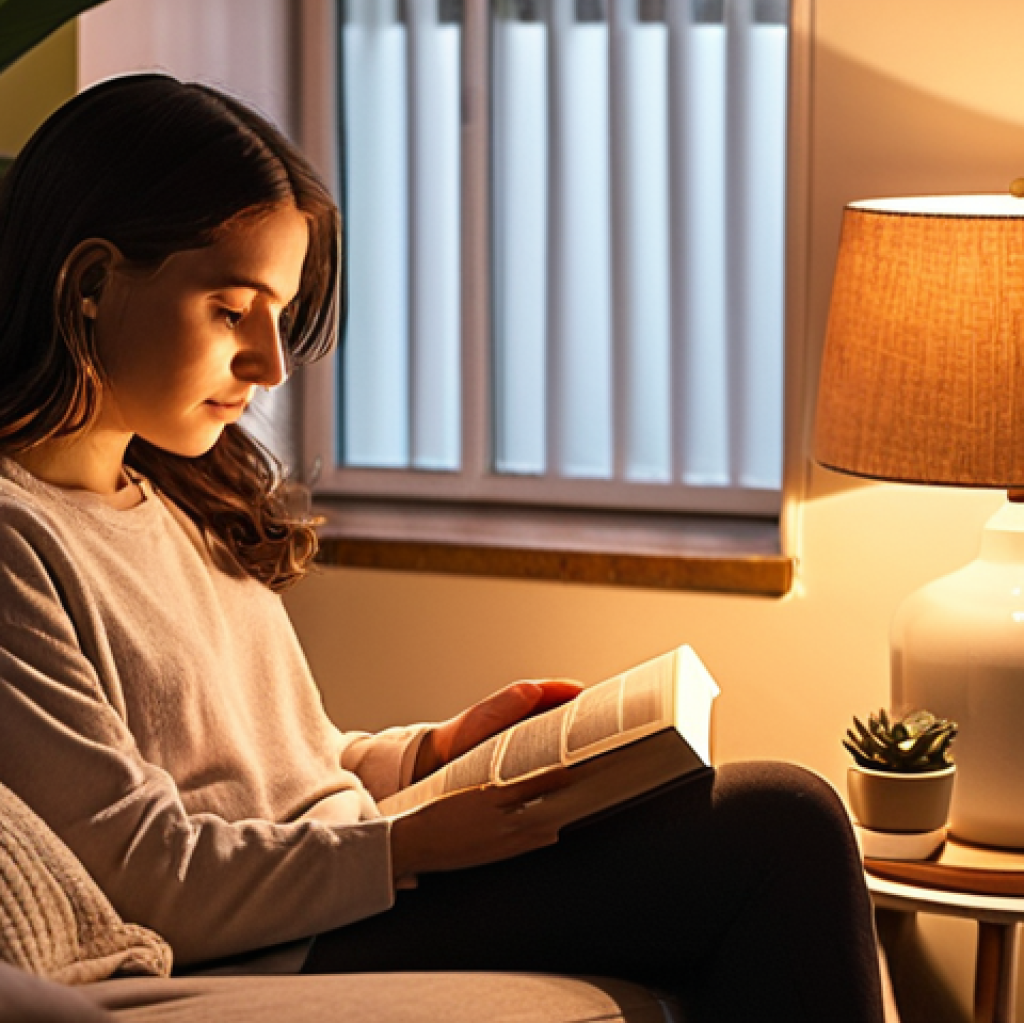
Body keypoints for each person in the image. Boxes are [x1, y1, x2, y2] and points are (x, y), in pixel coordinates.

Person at [0, 74, 884, 1023]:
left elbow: (280, 769)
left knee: (752, 819)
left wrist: (430, 755)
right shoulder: (21, 540)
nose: (271, 363)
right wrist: (405, 848)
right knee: (778, 827)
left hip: (350, 876)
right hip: (294, 934)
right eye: (230, 309)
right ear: (89, 284)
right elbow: (141, 873)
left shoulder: (170, 488)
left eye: (279, 314)